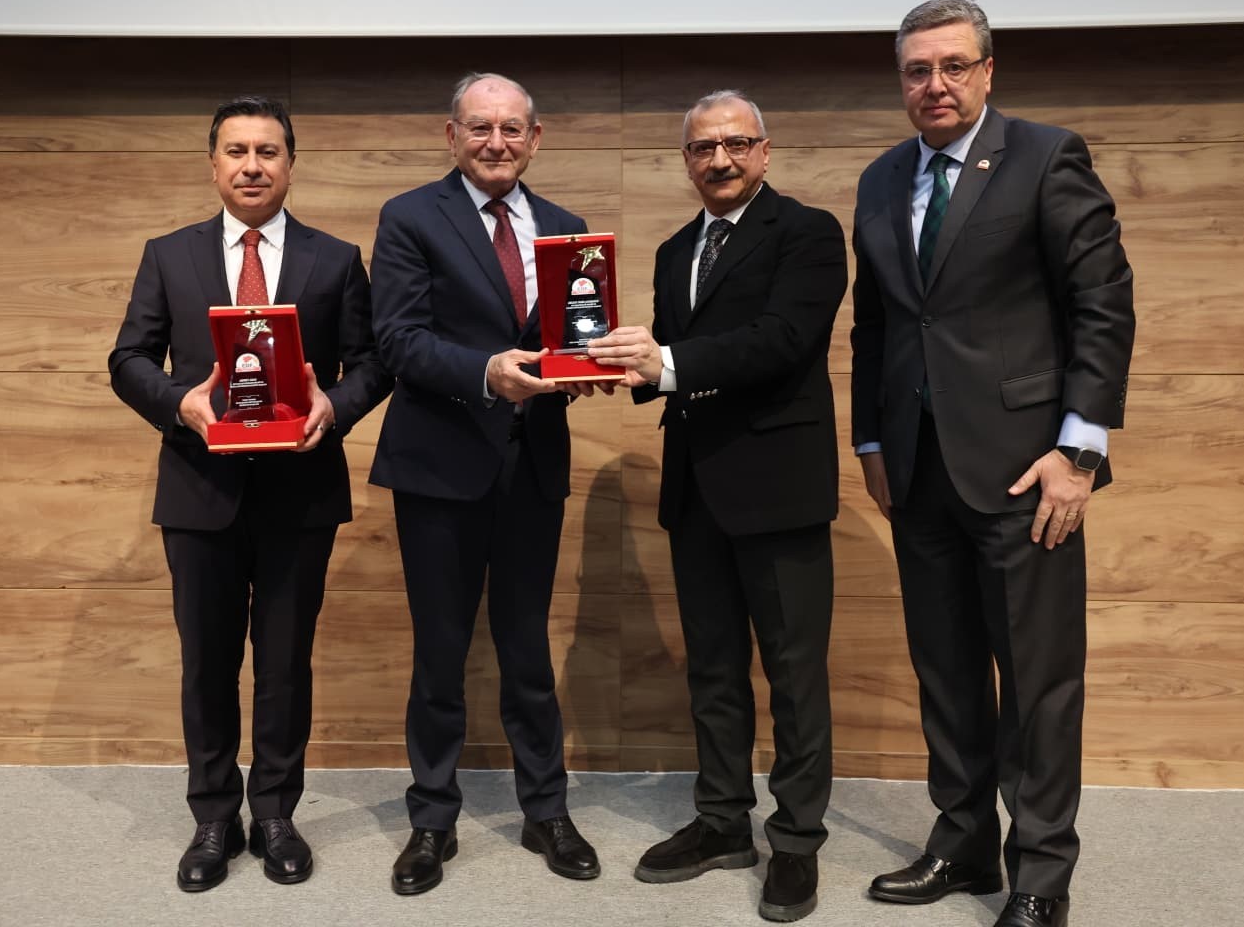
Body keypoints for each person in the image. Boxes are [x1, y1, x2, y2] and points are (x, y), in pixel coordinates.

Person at [850, 0, 1136, 927]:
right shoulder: (882, 178)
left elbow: (1102, 304)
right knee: (947, 672)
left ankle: (1042, 877)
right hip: (918, 468)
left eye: (953, 66)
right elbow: (877, 324)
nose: (934, 84)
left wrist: (1079, 453)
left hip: (1026, 471)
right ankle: (964, 842)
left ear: (986, 71)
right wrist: (871, 440)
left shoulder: (1047, 157)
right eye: (917, 70)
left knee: (1039, 684)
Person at [109, 95, 392, 892]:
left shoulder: (336, 259)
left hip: (301, 492)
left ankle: (274, 813)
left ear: (291, 165)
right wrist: (181, 404)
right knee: (206, 663)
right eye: (236, 151)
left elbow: (375, 361)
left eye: (268, 151)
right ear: (213, 166)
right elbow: (128, 359)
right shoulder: (169, 255)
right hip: (198, 489)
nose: (252, 166)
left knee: (284, 664)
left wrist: (336, 406)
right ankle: (212, 817)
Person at [587, 90, 845, 922]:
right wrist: (614, 367)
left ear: (764, 151)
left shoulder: (807, 233)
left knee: (795, 676)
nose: (720, 159)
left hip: (780, 489)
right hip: (696, 492)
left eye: (736, 143)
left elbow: (783, 342)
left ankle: (796, 841)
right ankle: (723, 821)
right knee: (714, 670)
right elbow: (676, 362)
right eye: (703, 147)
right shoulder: (675, 250)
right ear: (686, 160)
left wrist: (662, 362)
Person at [367, 72, 601, 895]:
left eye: (511, 129)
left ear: (534, 139)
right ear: (452, 136)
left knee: (527, 649)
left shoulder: (569, 230)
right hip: (440, 466)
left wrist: (588, 367)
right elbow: (397, 339)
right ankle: (433, 818)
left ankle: (546, 810)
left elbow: (573, 337)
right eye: (480, 127)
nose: (495, 142)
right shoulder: (409, 217)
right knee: (440, 652)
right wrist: (485, 372)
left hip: (532, 464)